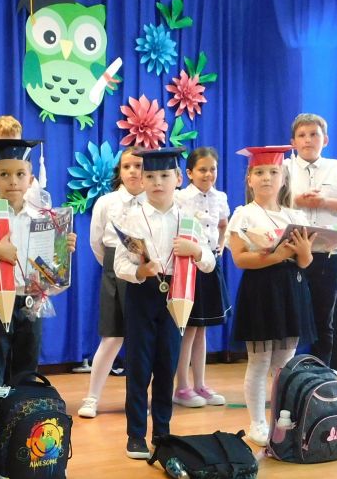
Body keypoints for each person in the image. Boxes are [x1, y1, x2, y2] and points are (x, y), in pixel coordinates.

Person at [0, 138, 77, 444]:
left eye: (20, 174)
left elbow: (54, 279)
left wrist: (63, 255)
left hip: (31, 303)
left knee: (25, 377)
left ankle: (19, 445)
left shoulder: (44, 218)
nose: (13, 181)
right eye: (4, 174)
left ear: (31, 179)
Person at [114, 148, 216, 460]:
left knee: (166, 363)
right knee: (138, 365)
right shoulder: (131, 218)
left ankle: (162, 431)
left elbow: (209, 262)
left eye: (164, 175)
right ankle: (135, 435)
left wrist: (195, 252)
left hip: (177, 294)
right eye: (150, 176)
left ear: (178, 178)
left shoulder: (189, 220)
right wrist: (139, 271)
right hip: (142, 293)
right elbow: (120, 264)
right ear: (141, 180)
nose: (157, 182)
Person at [229, 145, 315, 446]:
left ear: (283, 178)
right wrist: (277, 256)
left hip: (291, 291)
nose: (267, 177)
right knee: (259, 361)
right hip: (261, 292)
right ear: (249, 179)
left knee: (285, 363)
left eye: (274, 172)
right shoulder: (244, 214)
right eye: (260, 172)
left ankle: (282, 419)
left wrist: (303, 253)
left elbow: (305, 261)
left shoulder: (294, 215)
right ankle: (257, 423)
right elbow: (240, 258)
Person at [283, 113, 337, 366]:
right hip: (290, 253)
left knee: (323, 319)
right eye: (302, 135)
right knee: (289, 318)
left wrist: (325, 202)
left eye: (314, 134)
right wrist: (296, 200)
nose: (308, 140)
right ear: (293, 142)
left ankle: (321, 376)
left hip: (327, 255)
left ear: (325, 140)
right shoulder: (284, 168)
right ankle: (286, 375)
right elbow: (267, 203)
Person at [77, 146, 145, 418]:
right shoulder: (107, 202)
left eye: (139, 166)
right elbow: (97, 243)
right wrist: (114, 266)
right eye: (127, 166)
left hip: (144, 271)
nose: (133, 171)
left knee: (142, 341)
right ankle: (92, 397)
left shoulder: (153, 202)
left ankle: (137, 401)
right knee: (112, 336)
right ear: (120, 171)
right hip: (114, 271)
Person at [173, 147, 231, 409]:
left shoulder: (220, 197)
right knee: (188, 328)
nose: (208, 174)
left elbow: (223, 225)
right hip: (188, 266)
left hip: (210, 262)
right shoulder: (181, 197)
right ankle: (182, 386)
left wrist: (219, 247)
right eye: (202, 170)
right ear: (189, 173)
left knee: (202, 328)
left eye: (212, 169)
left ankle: (200, 384)